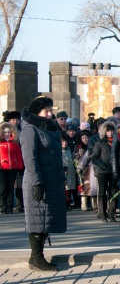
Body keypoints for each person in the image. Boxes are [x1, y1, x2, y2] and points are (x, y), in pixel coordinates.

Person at [19, 96, 67, 271]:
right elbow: (30, 159)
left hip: (51, 181)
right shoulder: (30, 130)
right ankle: (37, 258)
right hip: (37, 181)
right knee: (37, 219)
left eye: (50, 110)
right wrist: (37, 182)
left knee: (45, 218)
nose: (49, 114)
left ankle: (35, 258)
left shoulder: (49, 129)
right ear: (36, 112)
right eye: (45, 111)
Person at [91, 121, 117, 222]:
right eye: (108, 131)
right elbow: (94, 158)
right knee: (102, 192)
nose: (110, 133)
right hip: (102, 171)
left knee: (113, 192)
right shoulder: (100, 143)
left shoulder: (116, 142)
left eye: (111, 131)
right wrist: (101, 165)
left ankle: (111, 214)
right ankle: (102, 214)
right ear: (104, 132)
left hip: (113, 171)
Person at [0, 122, 24, 214]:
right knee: (3, 188)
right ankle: (3, 208)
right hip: (2, 169)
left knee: (10, 188)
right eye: (5, 132)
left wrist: (20, 166)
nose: (7, 134)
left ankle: (9, 208)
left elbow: (18, 155)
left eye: (9, 132)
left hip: (12, 168)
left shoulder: (14, 143)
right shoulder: (0, 143)